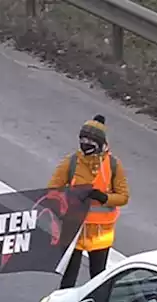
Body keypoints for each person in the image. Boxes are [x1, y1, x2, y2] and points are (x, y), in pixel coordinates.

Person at [49, 115, 130, 289]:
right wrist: (71, 197)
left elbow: (123, 197)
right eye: (82, 140)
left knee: (98, 283)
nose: (85, 145)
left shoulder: (114, 165)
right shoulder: (71, 163)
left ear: (101, 143)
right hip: (73, 232)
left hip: (101, 237)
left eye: (90, 142)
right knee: (68, 282)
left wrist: (104, 198)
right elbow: (52, 192)